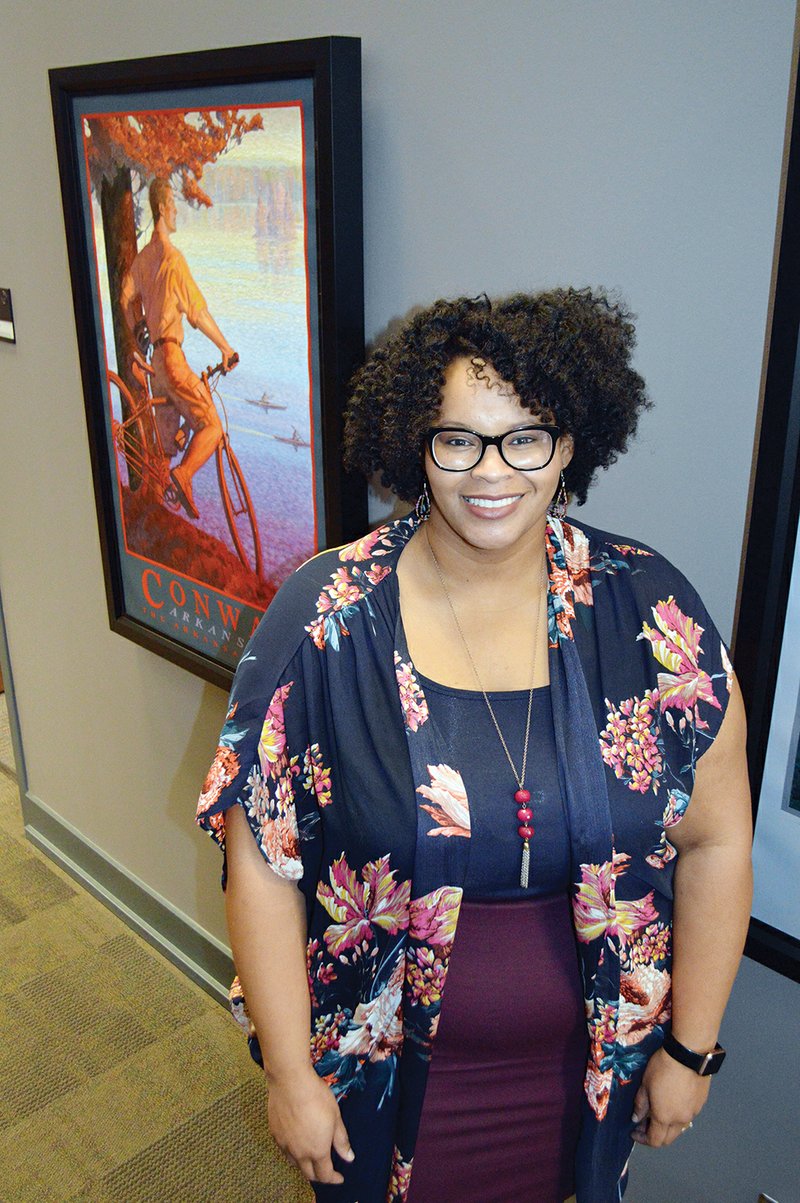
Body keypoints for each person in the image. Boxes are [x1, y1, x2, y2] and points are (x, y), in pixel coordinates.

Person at [196, 291, 752, 1203]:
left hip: (589, 1075)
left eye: (525, 436)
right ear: (417, 445)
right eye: (457, 439)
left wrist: (691, 1046)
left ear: (570, 445)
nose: (491, 471)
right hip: (387, 1071)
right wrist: (290, 1074)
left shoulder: (652, 611)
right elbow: (262, 862)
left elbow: (719, 840)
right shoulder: (326, 621)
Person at [120, 177, 237, 520]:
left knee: (167, 446)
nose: (175, 211)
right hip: (171, 357)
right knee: (212, 426)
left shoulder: (142, 260)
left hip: (156, 363)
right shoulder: (173, 259)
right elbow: (198, 313)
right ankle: (184, 477)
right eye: (171, 204)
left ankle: (155, 509)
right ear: (160, 207)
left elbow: (126, 297)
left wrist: (140, 332)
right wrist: (226, 348)